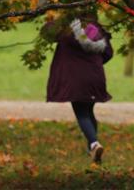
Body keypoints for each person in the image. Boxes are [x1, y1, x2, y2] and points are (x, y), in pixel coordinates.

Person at [45, 14, 113, 163]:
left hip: (75, 79)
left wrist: (51, 18)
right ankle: (93, 150)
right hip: (95, 76)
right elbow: (108, 53)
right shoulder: (95, 28)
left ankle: (94, 144)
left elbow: (47, 33)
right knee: (88, 111)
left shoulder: (65, 29)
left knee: (82, 113)